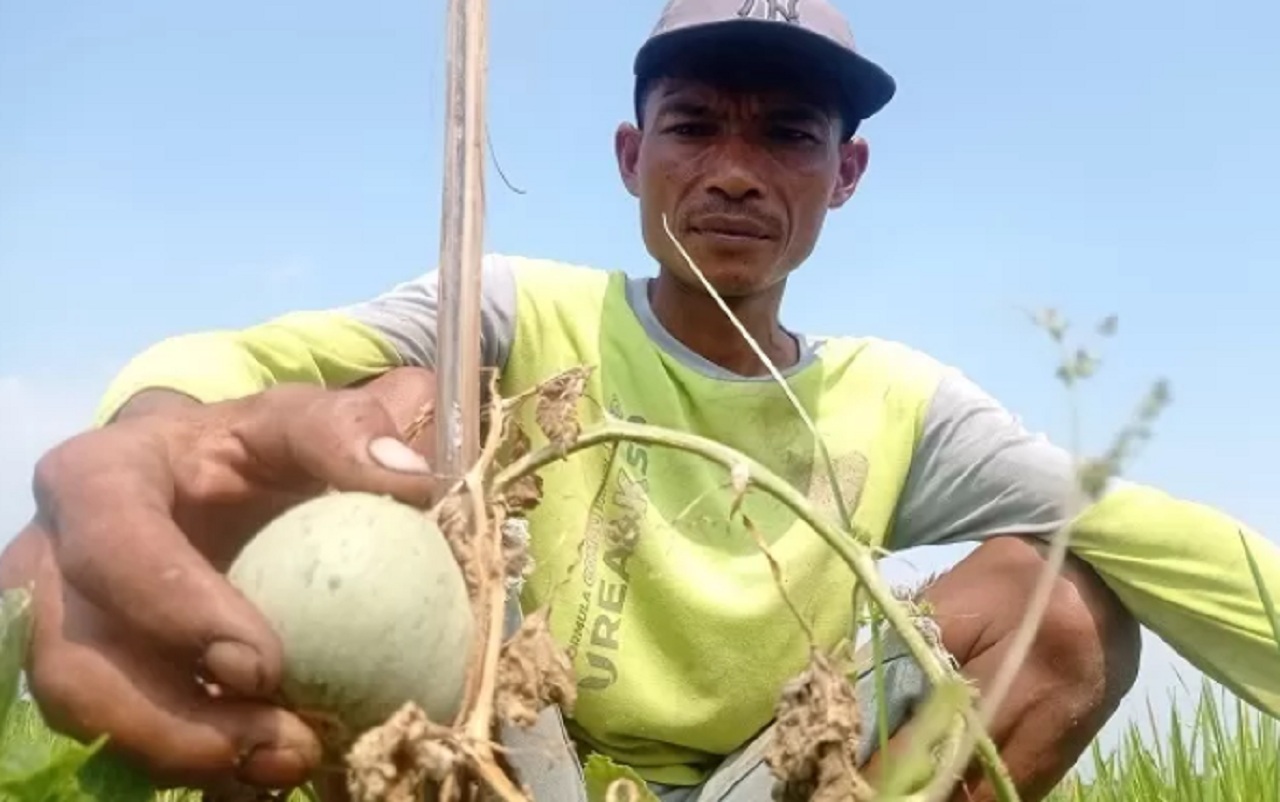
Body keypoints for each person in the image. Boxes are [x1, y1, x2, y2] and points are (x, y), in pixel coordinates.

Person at [3, 1, 1278, 800]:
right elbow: (247, 367)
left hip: (771, 773)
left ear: (844, 174)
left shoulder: (895, 399)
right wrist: (156, 432)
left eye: (786, 135)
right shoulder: (517, 309)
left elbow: (1138, 527)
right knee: (397, 420)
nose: (733, 171)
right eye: (692, 127)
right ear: (632, 156)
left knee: (1066, 603)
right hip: (519, 751)